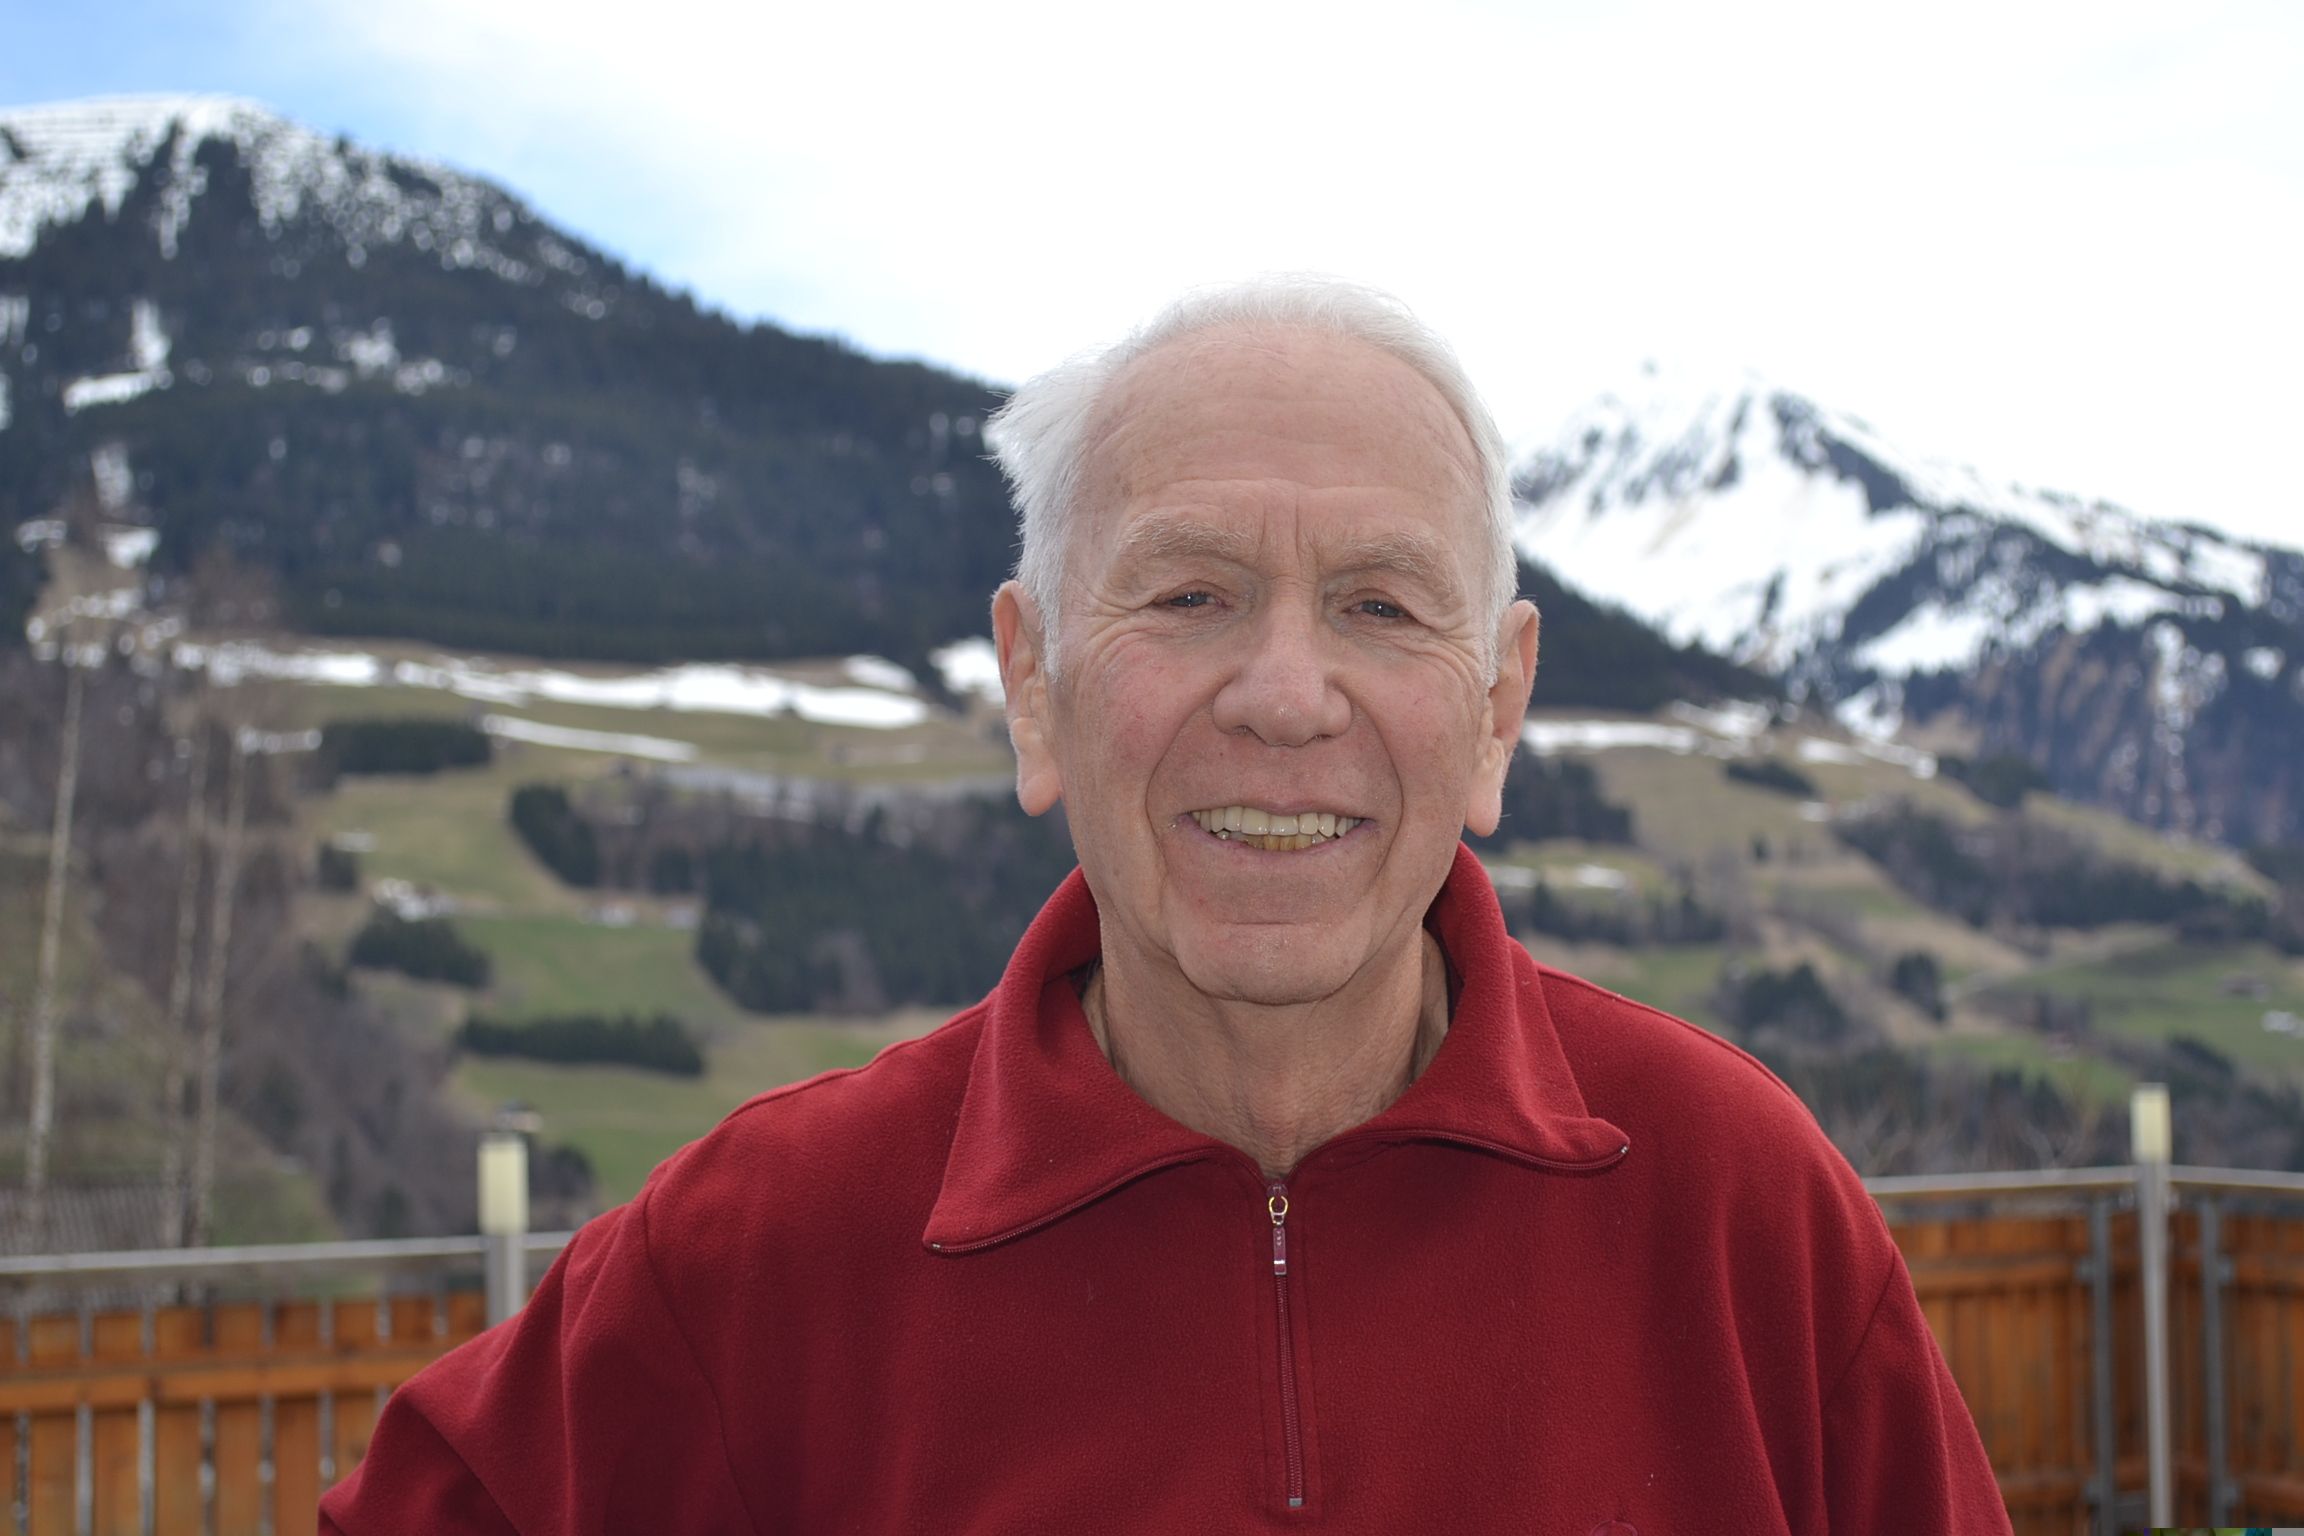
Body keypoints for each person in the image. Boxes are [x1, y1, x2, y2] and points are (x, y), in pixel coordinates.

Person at [320, 276, 2012, 1533]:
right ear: (1035, 684)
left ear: (1496, 708)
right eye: (1192, 594)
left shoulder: (1741, 1214)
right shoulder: (763, 1255)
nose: (1285, 696)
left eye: (1380, 606)